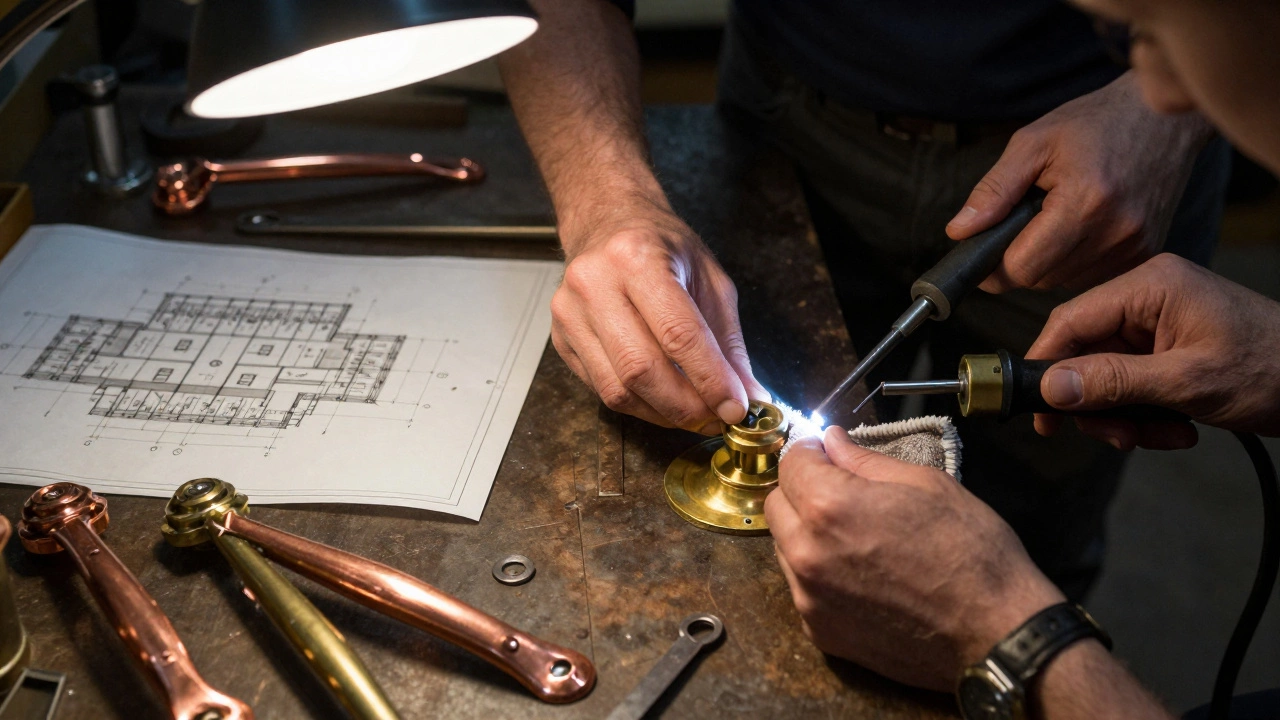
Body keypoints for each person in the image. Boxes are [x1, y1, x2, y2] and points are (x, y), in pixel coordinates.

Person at [496, 0, 1230, 600]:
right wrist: (606, 205)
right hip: (792, 110)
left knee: (1038, 533)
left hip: (1111, 150)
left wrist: (1173, 105)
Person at [768, 0, 1280, 716]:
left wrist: (1003, 628)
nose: (1159, 91)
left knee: (1044, 528)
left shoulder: (1164, 100)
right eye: (1120, 32)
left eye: (1154, 28)